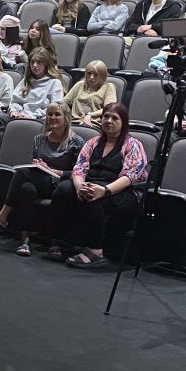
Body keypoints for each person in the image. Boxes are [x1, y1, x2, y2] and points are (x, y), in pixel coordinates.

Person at [0, 102, 86, 257]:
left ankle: (1, 218)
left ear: (66, 118)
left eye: (57, 114)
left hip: (61, 186)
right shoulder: (39, 139)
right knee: (27, 188)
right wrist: (38, 165)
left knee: (22, 174)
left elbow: (78, 172)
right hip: (42, 180)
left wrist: (52, 170)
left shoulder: (76, 142)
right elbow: (34, 167)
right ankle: (25, 240)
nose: (52, 117)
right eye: (50, 114)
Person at [51, 103, 149, 267]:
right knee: (63, 189)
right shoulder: (92, 142)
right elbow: (79, 169)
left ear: (123, 122)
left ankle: (96, 251)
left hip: (121, 191)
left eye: (114, 118)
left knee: (92, 197)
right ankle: (61, 242)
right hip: (92, 184)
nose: (109, 121)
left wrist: (104, 191)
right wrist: (79, 187)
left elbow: (130, 176)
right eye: (106, 117)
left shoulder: (132, 144)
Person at [8, 49, 65, 120]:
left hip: (39, 119)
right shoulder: (27, 80)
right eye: (32, 62)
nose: (34, 65)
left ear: (46, 64)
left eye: (39, 62)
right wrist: (14, 110)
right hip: (20, 116)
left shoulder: (54, 83)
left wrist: (32, 116)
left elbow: (54, 108)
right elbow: (15, 100)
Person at [64, 60, 116, 125]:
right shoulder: (79, 85)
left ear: (102, 75)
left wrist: (90, 115)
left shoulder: (108, 87)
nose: (91, 77)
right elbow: (64, 103)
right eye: (89, 73)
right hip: (74, 121)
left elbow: (109, 109)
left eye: (96, 74)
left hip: (93, 123)